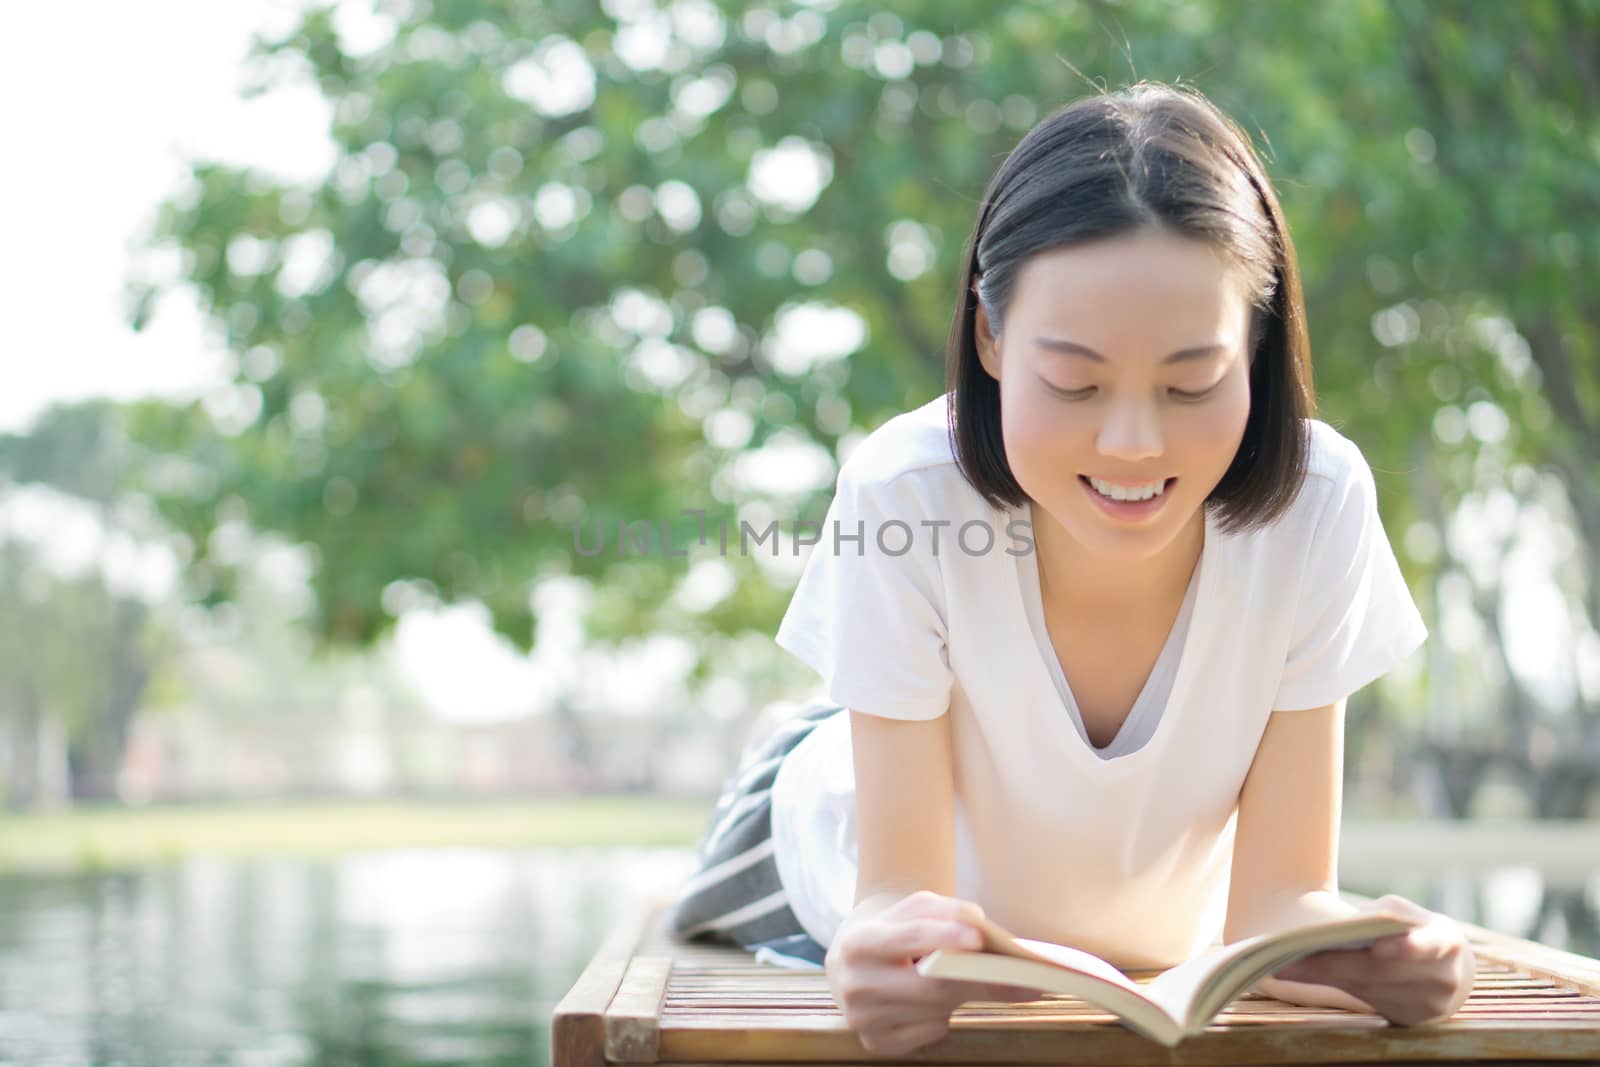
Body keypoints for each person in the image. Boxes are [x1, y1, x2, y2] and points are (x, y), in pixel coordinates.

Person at [667, 80, 1476, 1055]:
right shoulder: (905, 491)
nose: (1132, 442)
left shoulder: (1319, 503)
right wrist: (880, 951)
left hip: (1124, 899)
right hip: (823, 829)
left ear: (1257, 353)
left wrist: (1381, 954)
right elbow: (898, 897)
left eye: (1191, 382)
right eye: (1074, 381)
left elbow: (1277, 897)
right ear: (991, 337)